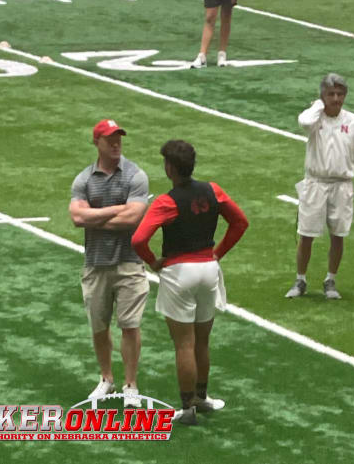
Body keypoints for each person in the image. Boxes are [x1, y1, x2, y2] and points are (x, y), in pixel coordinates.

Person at [132, 140, 248, 425]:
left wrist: (152, 261)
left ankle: (187, 409)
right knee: (202, 340)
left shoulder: (166, 201)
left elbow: (137, 239)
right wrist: (217, 253)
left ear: (170, 167)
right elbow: (240, 223)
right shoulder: (214, 190)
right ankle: (202, 397)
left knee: (184, 344)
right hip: (209, 269)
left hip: (179, 272)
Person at [69, 119, 150, 407]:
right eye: (109, 139)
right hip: (96, 264)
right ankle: (106, 378)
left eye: (119, 138)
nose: (116, 143)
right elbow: (77, 218)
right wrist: (117, 209)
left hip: (129, 263)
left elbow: (133, 218)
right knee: (99, 326)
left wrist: (97, 214)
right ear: (97, 142)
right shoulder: (84, 179)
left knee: (130, 325)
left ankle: (131, 384)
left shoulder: (135, 175)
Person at [285, 73, 354, 300]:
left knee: (338, 234)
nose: (336, 99)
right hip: (315, 183)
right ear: (322, 95)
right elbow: (303, 121)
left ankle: (330, 279)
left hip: (342, 185)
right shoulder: (315, 119)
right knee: (306, 234)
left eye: (340, 94)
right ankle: (300, 279)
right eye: (331, 94)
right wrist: (318, 104)